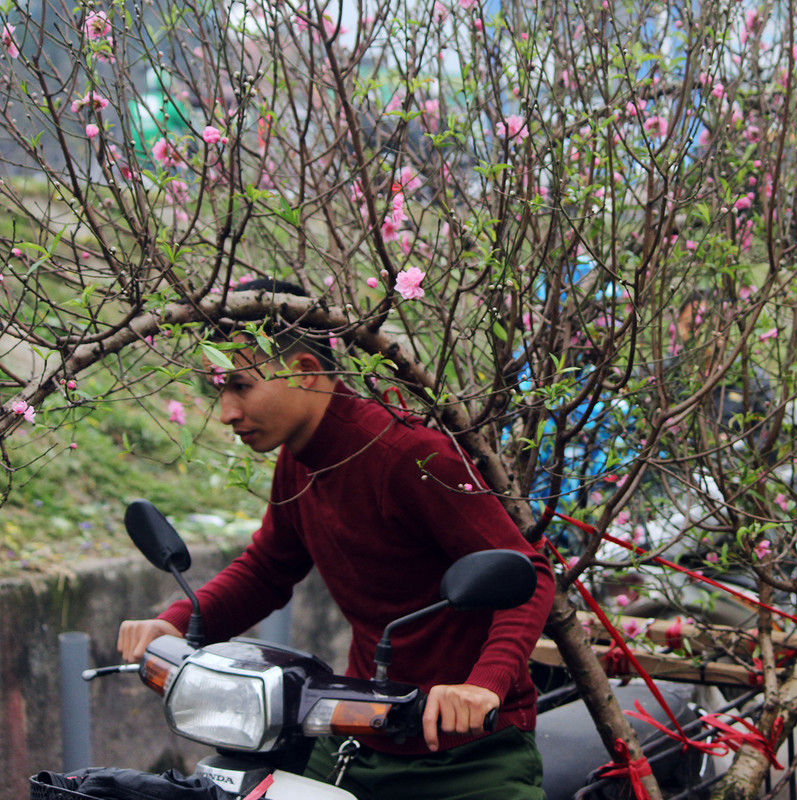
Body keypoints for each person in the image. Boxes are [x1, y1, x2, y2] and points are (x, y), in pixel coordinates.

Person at [117, 281, 556, 799]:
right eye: (221, 389)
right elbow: (267, 570)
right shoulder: (300, 461)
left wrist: (485, 685)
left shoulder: (408, 456)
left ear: (305, 371)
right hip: (358, 735)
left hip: (471, 751)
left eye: (241, 386)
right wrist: (172, 622)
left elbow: (529, 573)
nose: (228, 411)